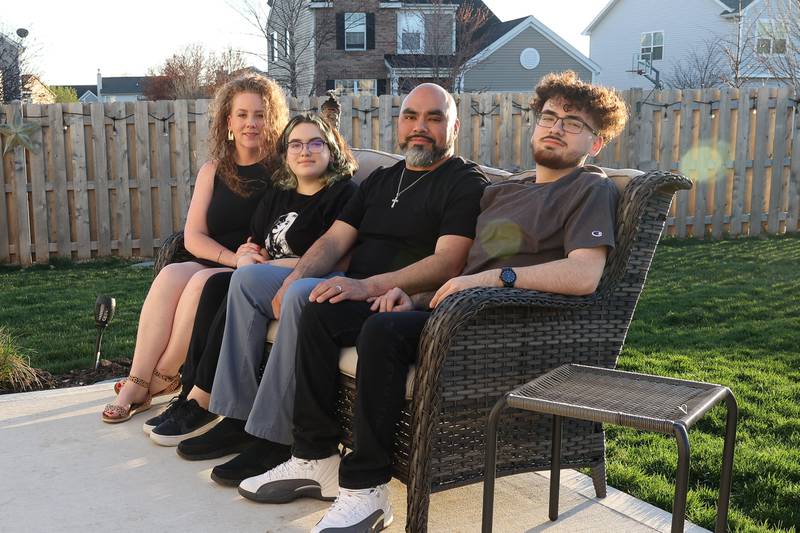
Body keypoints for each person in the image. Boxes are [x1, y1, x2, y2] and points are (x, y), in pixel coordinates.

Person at [247, 71, 629, 533]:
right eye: (549, 116)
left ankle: (366, 490)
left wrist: (497, 278)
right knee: (321, 310)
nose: (555, 127)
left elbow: (585, 274)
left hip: (503, 322)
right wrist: (410, 294)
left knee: (381, 332)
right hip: (451, 309)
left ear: (597, 142)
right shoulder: (507, 188)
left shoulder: (590, 188)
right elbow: (459, 270)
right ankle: (313, 456)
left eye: (573, 123)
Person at [174, 83, 488, 491]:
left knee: (307, 298)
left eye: (434, 118)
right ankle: (236, 418)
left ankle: (274, 437)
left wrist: (362, 286)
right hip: (350, 283)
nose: (420, 127)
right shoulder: (383, 180)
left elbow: (449, 260)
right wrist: (294, 277)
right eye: (411, 116)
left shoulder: (463, 181)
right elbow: (334, 240)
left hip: (392, 295)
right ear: (399, 122)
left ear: (455, 126)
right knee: (248, 279)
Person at [144, 113, 358, 446]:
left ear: (333, 150)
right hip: (268, 274)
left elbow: (337, 255)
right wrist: (249, 251)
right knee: (216, 284)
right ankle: (193, 394)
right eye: (296, 144)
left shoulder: (342, 194)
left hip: (313, 277)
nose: (306, 152)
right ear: (285, 153)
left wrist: (274, 264)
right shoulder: (280, 193)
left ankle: (203, 401)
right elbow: (257, 239)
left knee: (231, 282)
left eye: (316, 143)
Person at [101, 74, 288, 423]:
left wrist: (246, 260)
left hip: (256, 268)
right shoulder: (214, 170)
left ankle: (158, 379)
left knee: (201, 284)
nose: (251, 123)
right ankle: (140, 378)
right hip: (220, 257)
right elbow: (192, 237)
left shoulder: (282, 171)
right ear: (228, 121)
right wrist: (232, 257)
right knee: (172, 273)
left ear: (271, 118)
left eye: (259, 114)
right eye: (242, 114)